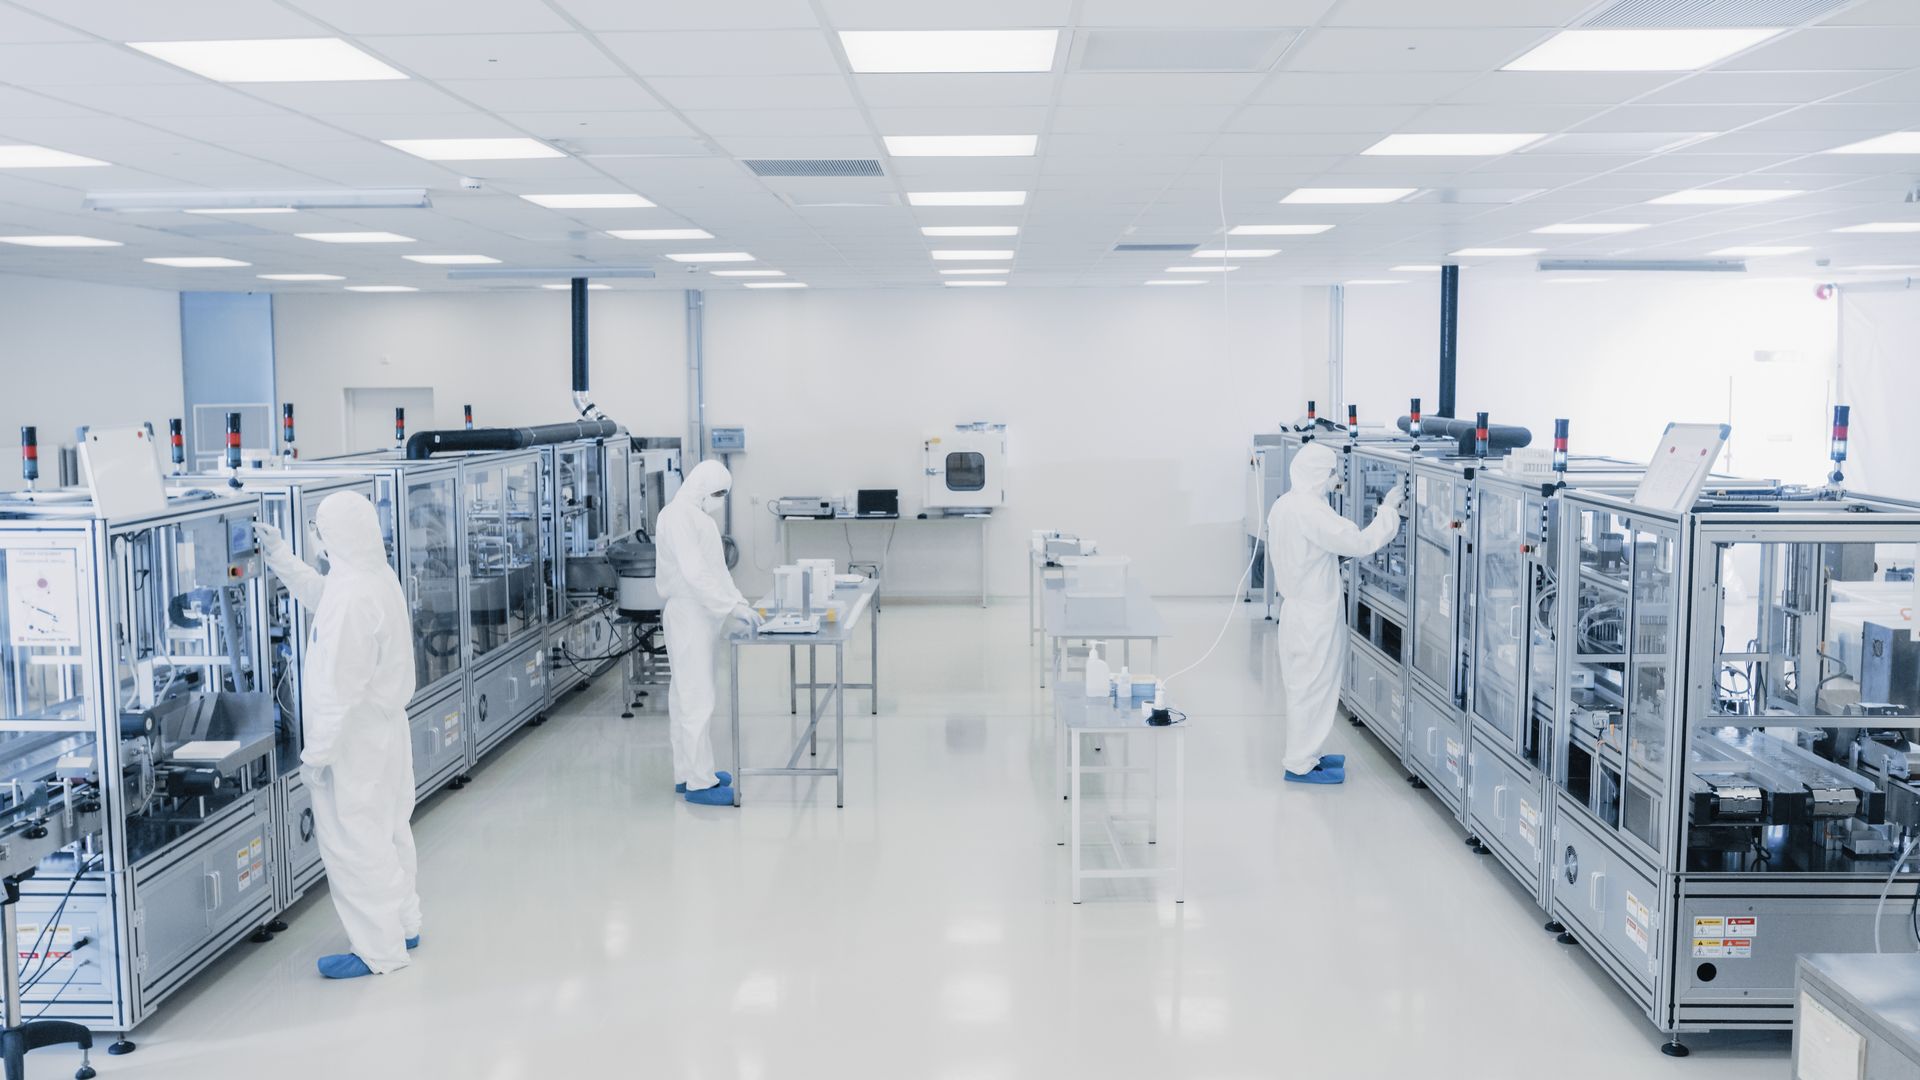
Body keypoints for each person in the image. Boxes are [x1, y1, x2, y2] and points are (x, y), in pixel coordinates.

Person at [255, 493, 423, 979]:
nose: (317, 535)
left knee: (354, 843)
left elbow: (337, 690)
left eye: (319, 527)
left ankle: (378, 950)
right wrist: (281, 557)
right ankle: (403, 923)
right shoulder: (372, 575)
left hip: (354, 740)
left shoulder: (353, 597)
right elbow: (323, 594)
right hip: (385, 731)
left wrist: (317, 754)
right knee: (389, 830)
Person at [1267, 442, 1404, 786]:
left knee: (1305, 684)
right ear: (1317, 474)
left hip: (1298, 610)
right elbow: (1358, 542)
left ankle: (1307, 753)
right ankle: (1299, 762)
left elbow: (1308, 550)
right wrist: (1389, 510)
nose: (1336, 478)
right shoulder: (1311, 511)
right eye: (1332, 473)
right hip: (1315, 614)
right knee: (1313, 686)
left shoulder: (1286, 505)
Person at [655, 460, 762, 805]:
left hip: (699, 612)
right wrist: (731, 607)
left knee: (686, 695)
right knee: (696, 698)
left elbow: (717, 571)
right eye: (717, 493)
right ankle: (700, 783)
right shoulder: (678, 516)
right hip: (689, 612)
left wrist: (739, 603)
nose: (719, 500)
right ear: (701, 487)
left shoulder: (696, 517)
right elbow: (696, 574)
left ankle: (689, 773)